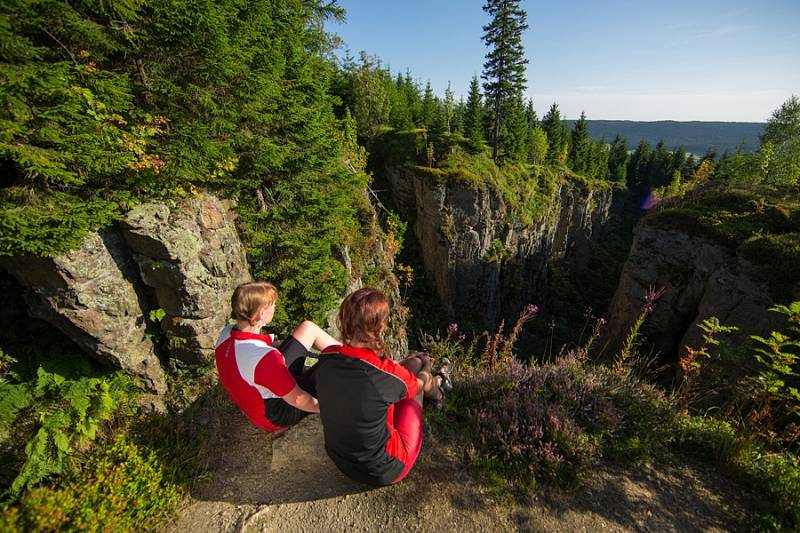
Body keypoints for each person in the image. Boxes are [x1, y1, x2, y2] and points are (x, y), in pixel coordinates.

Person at [314, 288, 451, 486]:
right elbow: (418, 385)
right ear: (380, 325)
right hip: (384, 468)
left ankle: (438, 382)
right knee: (418, 370)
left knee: (412, 365)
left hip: (340, 459)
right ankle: (440, 394)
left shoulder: (327, 357)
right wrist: (427, 365)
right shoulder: (381, 374)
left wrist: (406, 364)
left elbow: (372, 372)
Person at [214, 281, 339, 432]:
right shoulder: (263, 357)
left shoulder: (227, 334)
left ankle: (352, 355)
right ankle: (358, 361)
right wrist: (329, 410)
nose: (275, 307)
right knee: (336, 363)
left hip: (264, 389)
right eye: (272, 304)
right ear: (261, 313)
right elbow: (297, 399)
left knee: (308, 329)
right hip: (276, 414)